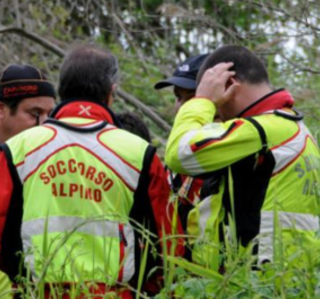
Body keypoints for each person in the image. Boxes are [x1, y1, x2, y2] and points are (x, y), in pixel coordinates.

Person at [0, 45, 183, 299]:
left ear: (62, 90)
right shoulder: (140, 153)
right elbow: (169, 244)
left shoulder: (16, 150)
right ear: (111, 93)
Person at [165, 45, 320, 269]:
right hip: (289, 280)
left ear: (228, 85)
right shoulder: (297, 130)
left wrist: (203, 101)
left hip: (260, 283)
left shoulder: (263, 129)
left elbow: (179, 153)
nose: (217, 112)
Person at [0, 64, 56, 299]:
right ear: (2, 110)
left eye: (49, 115)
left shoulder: (55, 160)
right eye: (34, 114)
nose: (45, 125)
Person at [154, 55, 209, 236]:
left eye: (192, 99)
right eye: (178, 97)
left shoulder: (227, 151)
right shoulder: (174, 156)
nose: (182, 107)